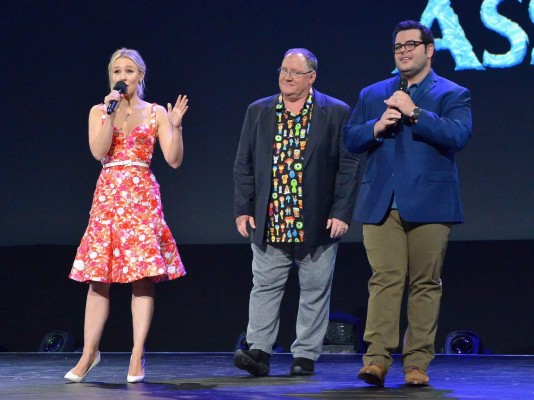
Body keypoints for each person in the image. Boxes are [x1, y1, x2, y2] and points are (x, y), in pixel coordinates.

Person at [344, 20, 472, 387]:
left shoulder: (453, 92)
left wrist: (415, 112)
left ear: (429, 50)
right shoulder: (373, 93)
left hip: (431, 203)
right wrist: (374, 127)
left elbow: (458, 135)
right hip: (382, 202)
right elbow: (350, 138)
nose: (403, 51)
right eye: (398, 46)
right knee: (384, 279)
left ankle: (417, 364)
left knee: (425, 283)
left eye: (410, 45)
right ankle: (376, 360)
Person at [233, 48, 359, 376]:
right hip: (270, 218)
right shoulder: (258, 111)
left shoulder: (336, 112)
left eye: (295, 72)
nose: (286, 77)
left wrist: (342, 211)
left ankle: (305, 356)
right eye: (283, 70)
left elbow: (348, 165)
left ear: (311, 77)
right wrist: (243, 208)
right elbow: (243, 164)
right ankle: (258, 350)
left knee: (315, 288)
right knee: (264, 286)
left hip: (317, 220)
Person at [64, 48, 188, 383]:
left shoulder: (156, 112)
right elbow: (99, 151)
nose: (123, 76)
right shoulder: (98, 111)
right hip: (108, 198)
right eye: (117, 71)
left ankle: (137, 354)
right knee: (97, 277)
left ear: (140, 76)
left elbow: (174, 160)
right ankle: (89, 354)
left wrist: (175, 127)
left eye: (129, 71)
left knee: (142, 276)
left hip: (141, 198)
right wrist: (109, 113)